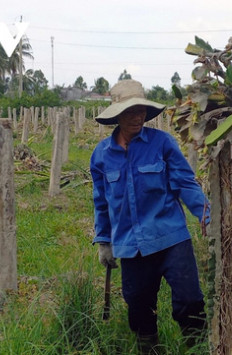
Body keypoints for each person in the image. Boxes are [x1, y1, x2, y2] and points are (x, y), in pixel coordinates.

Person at [90, 79, 209, 354]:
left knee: (190, 301)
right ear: (117, 115)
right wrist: (104, 241)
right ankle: (150, 349)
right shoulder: (101, 156)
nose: (138, 116)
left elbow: (185, 183)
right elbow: (101, 201)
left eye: (141, 110)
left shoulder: (162, 143)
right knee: (139, 305)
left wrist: (207, 216)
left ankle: (197, 348)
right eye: (131, 111)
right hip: (130, 245)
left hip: (170, 237)